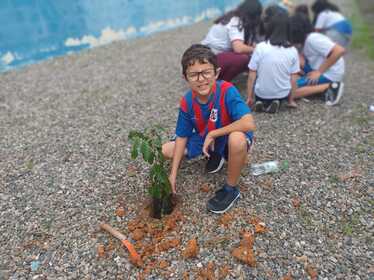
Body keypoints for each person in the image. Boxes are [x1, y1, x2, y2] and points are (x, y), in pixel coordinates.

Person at [162, 44, 256, 214]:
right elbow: (182, 137)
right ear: (185, 77)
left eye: (206, 72)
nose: (201, 79)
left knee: (237, 139)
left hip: (226, 136)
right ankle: (216, 154)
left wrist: (214, 133)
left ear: (216, 73)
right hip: (206, 136)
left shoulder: (227, 90)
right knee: (166, 150)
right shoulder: (187, 101)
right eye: (194, 74)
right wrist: (173, 174)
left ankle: (231, 189)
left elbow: (248, 123)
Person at [247, 6, 300, 113]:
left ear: (270, 28)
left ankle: (260, 102)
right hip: (282, 93)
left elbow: (251, 75)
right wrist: (291, 100)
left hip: (261, 92)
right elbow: (293, 79)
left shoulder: (261, 47)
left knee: (260, 93)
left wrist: (249, 97)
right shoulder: (293, 50)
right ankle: (277, 102)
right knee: (281, 94)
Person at [288, 13, 346, 106]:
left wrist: (319, 72)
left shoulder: (313, 39)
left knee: (288, 91)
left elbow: (339, 50)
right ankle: (318, 88)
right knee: (297, 58)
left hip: (329, 74)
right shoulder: (306, 40)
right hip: (318, 69)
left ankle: (328, 86)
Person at [201, 0, 263, 82]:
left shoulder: (232, 16)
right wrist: (257, 49)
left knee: (246, 56)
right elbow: (238, 48)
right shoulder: (236, 21)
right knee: (243, 58)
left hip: (205, 55)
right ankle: (220, 83)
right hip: (208, 60)